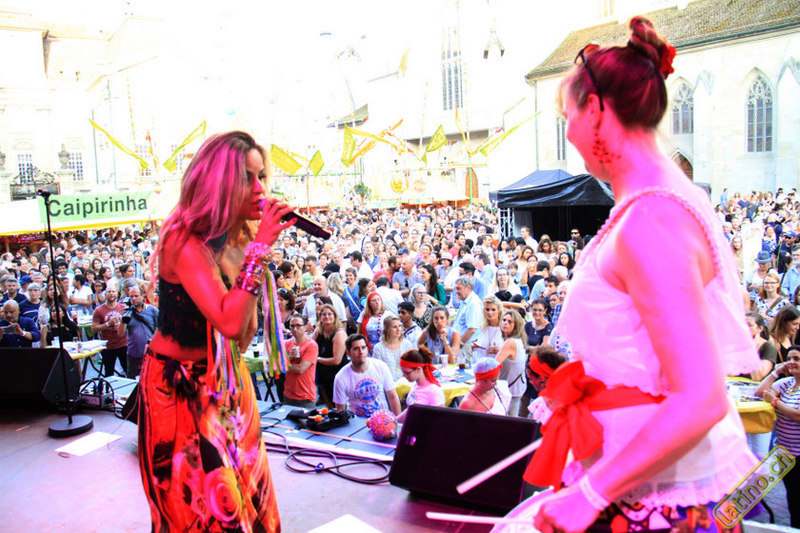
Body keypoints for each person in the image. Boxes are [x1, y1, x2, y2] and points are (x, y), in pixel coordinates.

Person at [501, 18, 761, 533]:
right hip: (643, 483)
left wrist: (590, 494)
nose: (568, 134)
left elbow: (701, 396)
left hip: (659, 498)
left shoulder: (651, 221)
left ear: (597, 111)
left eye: (568, 118)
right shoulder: (653, 205)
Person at [138, 131, 286, 531]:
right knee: (201, 509)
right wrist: (258, 253)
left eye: (262, 177)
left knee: (249, 492)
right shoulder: (183, 240)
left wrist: (251, 254)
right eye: (247, 179)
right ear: (219, 183)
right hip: (179, 390)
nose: (260, 189)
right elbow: (229, 321)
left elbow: (243, 335)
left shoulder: (238, 237)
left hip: (227, 381)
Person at [754, 348, 800, 528]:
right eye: (789, 358)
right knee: (793, 497)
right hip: (784, 452)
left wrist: (775, 401)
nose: (791, 362)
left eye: (796, 359)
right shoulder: (787, 383)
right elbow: (760, 392)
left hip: (798, 454)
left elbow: (797, 415)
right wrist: (776, 372)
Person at [333, 334, 401, 417]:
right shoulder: (340, 377)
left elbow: (392, 396)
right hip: (357, 421)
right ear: (348, 353)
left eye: (363, 347)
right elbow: (341, 410)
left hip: (383, 419)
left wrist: (398, 420)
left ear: (367, 349)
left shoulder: (381, 366)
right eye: (356, 349)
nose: (361, 352)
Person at [313, 303, 348, 409]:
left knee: (338, 405)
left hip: (336, 375)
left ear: (335, 316)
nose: (327, 317)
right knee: (328, 404)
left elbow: (337, 360)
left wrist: (317, 359)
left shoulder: (339, 334)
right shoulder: (319, 330)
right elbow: (309, 344)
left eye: (329, 314)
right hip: (322, 374)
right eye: (324, 314)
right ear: (320, 317)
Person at [397, 348, 445, 423]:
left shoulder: (434, 391)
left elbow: (440, 418)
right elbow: (410, 410)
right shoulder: (415, 385)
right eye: (403, 372)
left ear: (418, 369)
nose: (404, 376)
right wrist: (395, 420)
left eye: (407, 373)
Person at [494, 310, 527, 417]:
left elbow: (493, 364)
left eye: (509, 322)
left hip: (510, 389)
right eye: (504, 320)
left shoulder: (510, 342)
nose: (505, 323)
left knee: (509, 421)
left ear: (516, 325)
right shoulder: (518, 340)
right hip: (516, 386)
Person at [91, 284, 128, 377]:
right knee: (109, 374)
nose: (111, 294)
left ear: (117, 294)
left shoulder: (124, 308)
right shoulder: (99, 310)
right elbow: (93, 328)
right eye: (109, 292)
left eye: (113, 291)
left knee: (128, 371)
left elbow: (131, 324)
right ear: (105, 294)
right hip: (108, 346)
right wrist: (108, 324)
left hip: (123, 345)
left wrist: (121, 326)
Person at [284, 314, 319, 408]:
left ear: (305, 327)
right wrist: (289, 358)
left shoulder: (311, 345)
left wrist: (285, 364)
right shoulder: (286, 344)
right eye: (292, 326)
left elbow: (300, 369)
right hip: (288, 394)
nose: (295, 329)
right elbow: (277, 367)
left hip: (305, 396)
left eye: (298, 326)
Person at [123, 286, 158, 378]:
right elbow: (120, 333)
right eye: (131, 296)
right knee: (133, 381)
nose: (133, 299)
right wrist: (123, 321)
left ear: (142, 296)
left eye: (136, 296)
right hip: (133, 354)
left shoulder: (152, 310)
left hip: (149, 353)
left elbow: (160, 330)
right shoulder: (127, 313)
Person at [371, 314, 414, 380]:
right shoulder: (378, 348)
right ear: (387, 329)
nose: (398, 329)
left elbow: (412, 366)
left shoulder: (407, 345)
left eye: (400, 326)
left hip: (406, 382)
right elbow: (377, 371)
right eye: (394, 327)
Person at [451, 275, 483, 363]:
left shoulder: (473, 303)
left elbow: (472, 329)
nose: (456, 292)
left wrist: (460, 344)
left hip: (465, 345)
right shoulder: (465, 301)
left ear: (468, 288)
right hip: (461, 343)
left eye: (459, 289)